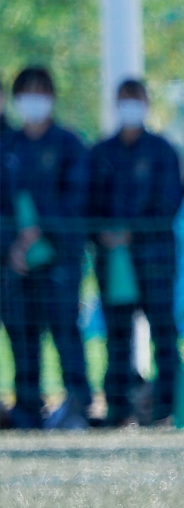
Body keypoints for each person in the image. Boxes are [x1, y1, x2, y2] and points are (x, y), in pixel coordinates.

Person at [88, 78, 183, 426]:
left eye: (136, 99)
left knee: (163, 331)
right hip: (112, 262)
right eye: (123, 99)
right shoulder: (101, 153)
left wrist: (133, 232)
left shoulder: (162, 151)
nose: (130, 106)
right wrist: (104, 234)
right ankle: (117, 406)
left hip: (155, 259)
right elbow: (89, 204)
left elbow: (170, 202)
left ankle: (167, 405)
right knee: (117, 336)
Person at [0, 67, 91, 429]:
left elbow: (77, 199)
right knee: (21, 334)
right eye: (26, 92)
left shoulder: (69, 144)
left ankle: (78, 403)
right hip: (16, 263)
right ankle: (26, 408)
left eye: (40, 92)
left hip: (61, 259)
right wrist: (12, 246)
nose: (32, 101)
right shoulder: (8, 146)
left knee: (65, 330)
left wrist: (44, 234)